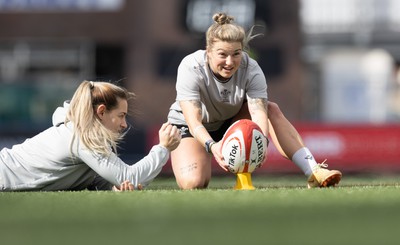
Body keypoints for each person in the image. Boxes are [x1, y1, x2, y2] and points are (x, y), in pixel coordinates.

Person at [167, 13, 342, 189]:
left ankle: (314, 171)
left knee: (270, 109)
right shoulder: (191, 66)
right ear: (209, 51)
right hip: (192, 128)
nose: (230, 62)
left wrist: (262, 144)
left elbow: (259, 113)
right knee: (194, 183)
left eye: (236, 54)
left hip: (230, 121)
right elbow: (193, 121)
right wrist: (213, 146)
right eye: (223, 54)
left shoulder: (251, 69)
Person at [0, 80, 181, 191]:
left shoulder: (81, 131)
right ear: (101, 112)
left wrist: (113, 186)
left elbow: (96, 178)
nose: (125, 124)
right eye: (121, 115)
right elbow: (131, 178)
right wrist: (163, 148)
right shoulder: (83, 135)